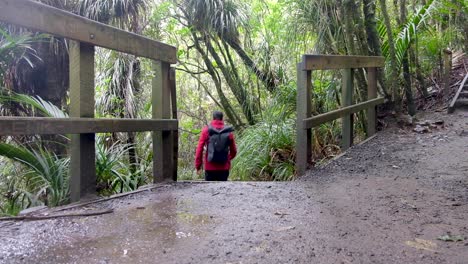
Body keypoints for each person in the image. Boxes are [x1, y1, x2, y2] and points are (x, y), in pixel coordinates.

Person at [195, 111, 237, 181]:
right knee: (224, 190)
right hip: (224, 168)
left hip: (209, 167)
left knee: (210, 190)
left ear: (213, 118)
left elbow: (199, 148)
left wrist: (198, 165)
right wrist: (227, 158)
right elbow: (234, 151)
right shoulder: (228, 132)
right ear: (222, 118)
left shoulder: (206, 130)